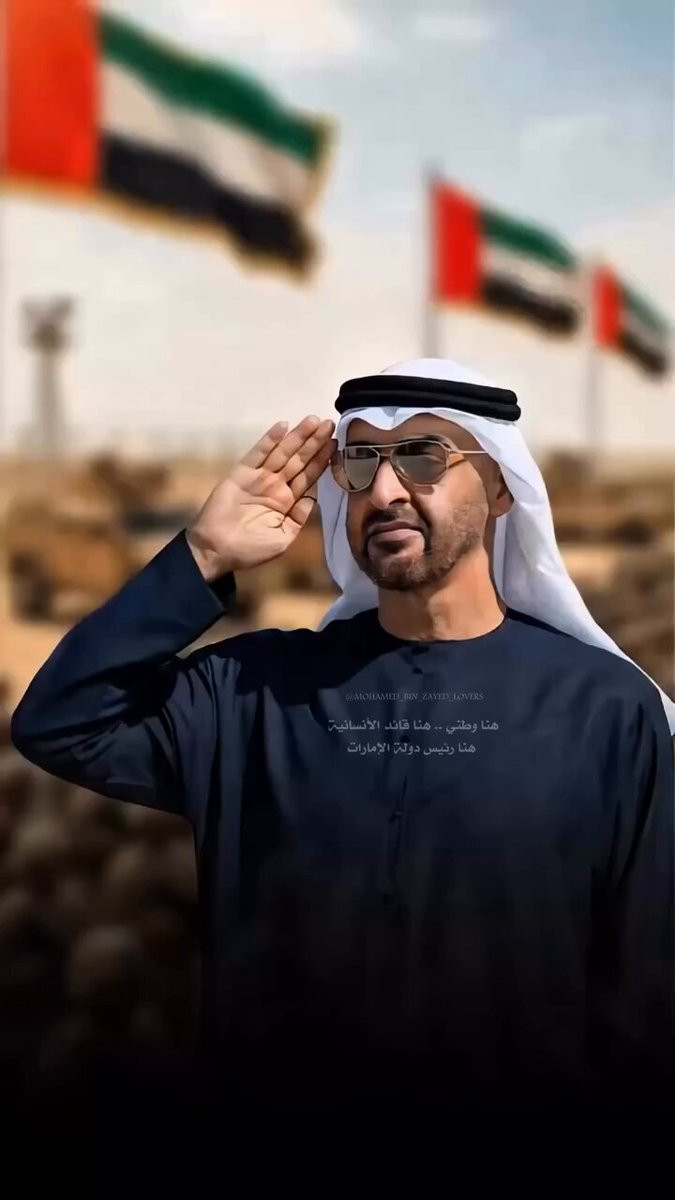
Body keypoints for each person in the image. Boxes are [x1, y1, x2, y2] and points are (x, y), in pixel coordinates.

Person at [10, 357, 675, 1128]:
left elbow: (647, 993)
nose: (385, 490)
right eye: (360, 463)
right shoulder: (252, 694)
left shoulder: (605, 710)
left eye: (422, 457)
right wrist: (203, 556)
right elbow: (62, 720)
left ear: (500, 488)